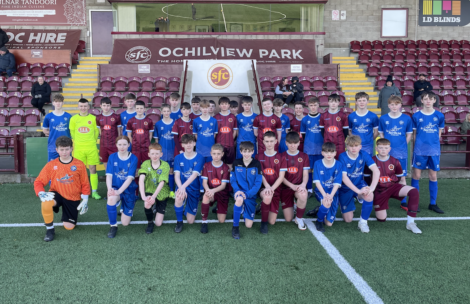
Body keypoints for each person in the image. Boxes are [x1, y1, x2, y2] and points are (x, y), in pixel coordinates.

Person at [33, 136, 91, 242]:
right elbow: (38, 181)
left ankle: (68, 214)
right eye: (61, 149)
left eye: (67, 149)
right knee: (46, 203)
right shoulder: (52, 164)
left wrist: (86, 198)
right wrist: (41, 192)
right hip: (57, 193)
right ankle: (50, 229)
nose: (64, 152)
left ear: (71, 148)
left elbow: (85, 183)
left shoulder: (79, 164)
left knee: (69, 227)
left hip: (73, 197)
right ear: (57, 150)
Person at [364, 138, 422, 234]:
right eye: (381, 148)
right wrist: (372, 193)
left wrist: (404, 192)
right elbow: (366, 178)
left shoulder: (395, 161)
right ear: (376, 148)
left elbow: (401, 179)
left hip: (392, 187)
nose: (383, 150)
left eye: (386, 148)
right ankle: (379, 204)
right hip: (379, 191)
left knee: (414, 191)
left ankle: (411, 223)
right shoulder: (371, 161)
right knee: (381, 219)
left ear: (389, 149)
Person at [411, 92, 445, 214]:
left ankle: (433, 204)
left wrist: (434, 145)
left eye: (430, 99)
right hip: (420, 150)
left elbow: (439, 133)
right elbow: (414, 135)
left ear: (434, 100)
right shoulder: (416, 116)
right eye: (425, 99)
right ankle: (414, 203)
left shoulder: (439, 115)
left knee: (433, 176)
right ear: (422, 101)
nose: (428, 101)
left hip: (434, 151)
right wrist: (415, 149)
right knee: (416, 176)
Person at [338, 136, 380, 233]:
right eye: (351, 146)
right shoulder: (342, 156)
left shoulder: (364, 154)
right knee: (348, 220)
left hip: (359, 184)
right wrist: (358, 191)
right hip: (345, 188)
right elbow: (344, 178)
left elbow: (376, 171)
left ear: (360, 147)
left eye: (356, 146)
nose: (353, 148)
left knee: (369, 194)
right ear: (347, 147)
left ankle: (363, 222)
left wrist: (372, 188)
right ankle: (352, 198)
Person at [378, 95, 413, 209]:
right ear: (388, 105)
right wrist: (384, 146)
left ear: (400, 105)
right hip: (386, 153)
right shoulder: (383, 118)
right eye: (392, 104)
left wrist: (403, 145)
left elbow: (409, 134)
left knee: (402, 177)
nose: (394, 106)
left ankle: (403, 201)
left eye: (396, 104)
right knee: (385, 176)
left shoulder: (406, 118)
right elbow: (381, 133)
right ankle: (384, 198)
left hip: (401, 152)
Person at [105, 136, 138, 238]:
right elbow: (109, 175)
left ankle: (124, 206)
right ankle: (113, 226)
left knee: (125, 223)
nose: (122, 147)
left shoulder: (133, 158)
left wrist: (119, 191)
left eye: (124, 144)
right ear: (116, 145)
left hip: (129, 190)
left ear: (129, 145)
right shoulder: (112, 157)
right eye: (119, 144)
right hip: (116, 188)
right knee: (110, 198)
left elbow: (129, 178)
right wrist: (110, 189)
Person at [69, 98, 101, 200]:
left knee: (93, 169)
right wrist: (77, 141)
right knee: (79, 171)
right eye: (81, 106)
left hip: (91, 147)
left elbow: (96, 132)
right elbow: (72, 132)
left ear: (88, 107)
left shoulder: (93, 118)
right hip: (78, 148)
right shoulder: (73, 119)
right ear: (78, 107)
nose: (83, 108)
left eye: (85, 106)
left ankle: (94, 192)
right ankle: (80, 191)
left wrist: (93, 140)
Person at [230, 141, 263, 239]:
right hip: (239, 192)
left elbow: (258, 183)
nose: (247, 154)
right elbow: (233, 180)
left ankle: (243, 209)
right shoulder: (236, 163)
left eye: (249, 151)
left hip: (250, 195)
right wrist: (237, 191)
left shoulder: (257, 164)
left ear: (253, 151)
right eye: (244, 151)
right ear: (240, 152)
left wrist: (248, 194)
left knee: (249, 225)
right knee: (239, 199)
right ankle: (235, 227)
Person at [173, 134, 205, 233]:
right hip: (181, 186)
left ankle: (186, 209)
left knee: (190, 221)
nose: (188, 145)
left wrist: (183, 187)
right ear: (182, 145)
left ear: (194, 143)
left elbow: (194, 175)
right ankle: (179, 222)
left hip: (194, 189)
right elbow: (177, 176)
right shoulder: (178, 158)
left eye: (190, 143)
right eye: (186, 143)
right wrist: (181, 188)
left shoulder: (200, 157)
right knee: (178, 196)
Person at [256, 131, 286, 234]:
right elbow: (260, 174)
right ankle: (263, 224)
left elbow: (281, 177)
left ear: (276, 141)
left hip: (275, 189)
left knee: (272, 221)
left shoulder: (281, 157)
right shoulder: (258, 157)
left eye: (271, 141)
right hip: (263, 187)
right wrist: (267, 187)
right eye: (267, 141)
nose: (269, 144)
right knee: (267, 196)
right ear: (263, 142)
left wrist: (272, 188)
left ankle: (263, 205)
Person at [139, 143, 171, 234]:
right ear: (149, 154)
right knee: (147, 203)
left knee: (158, 223)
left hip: (161, 192)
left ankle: (156, 207)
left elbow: (162, 183)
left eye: (157, 153)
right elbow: (141, 180)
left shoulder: (165, 165)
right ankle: (150, 223)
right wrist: (143, 196)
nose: (155, 156)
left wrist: (154, 197)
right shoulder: (145, 164)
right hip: (149, 189)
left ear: (161, 154)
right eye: (152, 153)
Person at [279, 132, 310, 229]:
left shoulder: (304, 156)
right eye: (290, 143)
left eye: (295, 143)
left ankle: (299, 218)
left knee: (303, 194)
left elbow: (305, 174)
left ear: (299, 143)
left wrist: (303, 185)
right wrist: (291, 186)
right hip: (285, 188)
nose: (292, 145)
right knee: (288, 219)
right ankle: (294, 204)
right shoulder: (281, 156)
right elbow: (281, 177)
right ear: (286, 143)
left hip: (298, 186)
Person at [312, 142, 343, 232]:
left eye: (331, 152)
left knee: (329, 223)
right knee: (326, 202)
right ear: (322, 153)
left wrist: (331, 195)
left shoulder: (339, 165)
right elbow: (317, 183)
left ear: (335, 153)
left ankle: (320, 210)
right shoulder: (317, 163)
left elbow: (337, 183)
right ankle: (319, 221)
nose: (329, 154)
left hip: (333, 193)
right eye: (326, 152)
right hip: (320, 191)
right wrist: (325, 195)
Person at [200, 144, 230, 233]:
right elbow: (204, 182)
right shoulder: (206, 165)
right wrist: (208, 190)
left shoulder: (225, 167)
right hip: (211, 192)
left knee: (221, 221)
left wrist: (212, 190)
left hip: (222, 193)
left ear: (222, 154)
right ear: (211, 154)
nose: (216, 156)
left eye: (218, 154)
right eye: (214, 153)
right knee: (205, 196)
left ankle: (218, 207)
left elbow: (223, 186)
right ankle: (204, 222)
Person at [301, 97, 323, 196]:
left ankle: (320, 189)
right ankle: (309, 189)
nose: (313, 107)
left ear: (318, 105)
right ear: (308, 106)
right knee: (308, 169)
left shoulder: (322, 117)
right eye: (311, 105)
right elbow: (304, 135)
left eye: (315, 105)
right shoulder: (305, 119)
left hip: (321, 148)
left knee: (320, 169)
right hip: (309, 148)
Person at [153, 104, 175, 196]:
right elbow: (156, 140)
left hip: (172, 151)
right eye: (164, 111)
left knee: (171, 171)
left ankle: (171, 191)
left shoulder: (175, 122)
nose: (166, 113)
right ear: (161, 112)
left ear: (170, 111)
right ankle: (159, 190)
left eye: (168, 111)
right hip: (162, 152)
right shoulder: (158, 124)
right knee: (160, 171)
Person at [42, 94, 71, 161]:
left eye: (60, 101)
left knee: (66, 166)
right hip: (53, 146)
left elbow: (71, 130)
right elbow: (44, 130)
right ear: (53, 103)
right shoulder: (48, 116)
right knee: (52, 167)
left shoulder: (68, 116)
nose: (58, 103)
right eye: (56, 101)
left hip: (66, 147)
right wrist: (53, 133)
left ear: (63, 103)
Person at [320, 94, 349, 159]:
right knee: (328, 161)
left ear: (338, 103)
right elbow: (322, 131)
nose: (333, 103)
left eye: (335, 101)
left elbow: (346, 131)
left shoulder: (343, 115)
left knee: (341, 161)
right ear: (328, 103)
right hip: (327, 143)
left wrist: (341, 139)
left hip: (340, 144)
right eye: (331, 101)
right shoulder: (323, 115)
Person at [126, 100, 154, 167]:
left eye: (141, 108)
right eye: (137, 108)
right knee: (135, 166)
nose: (139, 110)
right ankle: (136, 178)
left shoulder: (149, 121)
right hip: (135, 148)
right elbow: (129, 135)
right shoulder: (131, 121)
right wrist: (134, 144)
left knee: (147, 166)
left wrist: (147, 143)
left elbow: (150, 135)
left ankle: (146, 177)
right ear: (135, 109)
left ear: (144, 109)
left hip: (146, 148)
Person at [96, 97, 122, 170]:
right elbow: (100, 131)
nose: (106, 107)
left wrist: (118, 142)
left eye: (107, 105)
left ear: (110, 106)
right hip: (103, 144)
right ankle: (108, 178)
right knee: (105, 162)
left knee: (116, 162)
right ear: (100, 106)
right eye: (104, 105)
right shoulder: (98, 117)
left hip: (114, 144)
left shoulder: (116, 117)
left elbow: (119, 131)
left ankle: (116, 179)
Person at [214, 97, 237, 169]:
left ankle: (228, 179)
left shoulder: (233, 117)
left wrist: (230, 140)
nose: (224, 105)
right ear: (219, 105)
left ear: (229, 105)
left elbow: (235, 131)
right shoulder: (215, 117)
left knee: (230, 165)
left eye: (226, 104)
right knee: (218, 164)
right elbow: (214, 133)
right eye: (222, 104)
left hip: (230, 146)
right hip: (219, 146)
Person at [193, 99, 218, 163]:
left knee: (209, 168)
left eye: (207, 107)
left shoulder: (214, 120)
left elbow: (214, 135)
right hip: (200, 149)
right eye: (203, 108)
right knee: (200, 168)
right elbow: (196, 135)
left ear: (209, 108)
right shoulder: (196, 121)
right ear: (200, 108)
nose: (205, 110)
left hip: (210, 149)